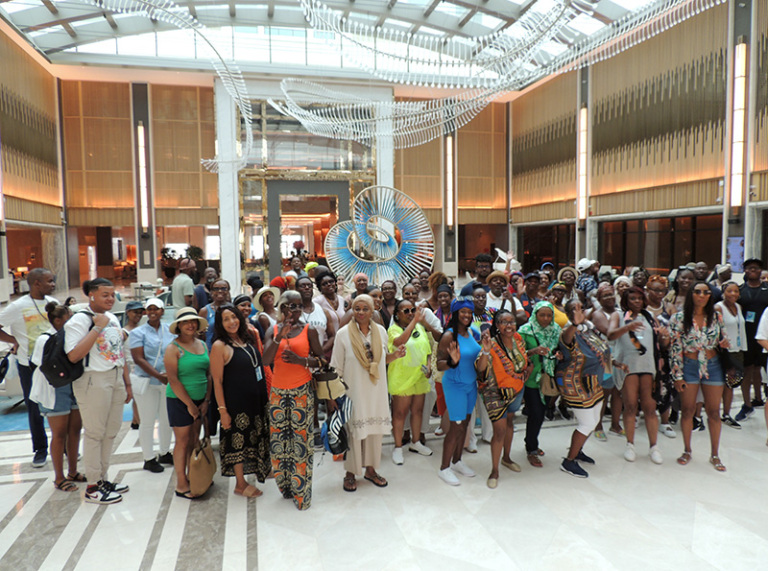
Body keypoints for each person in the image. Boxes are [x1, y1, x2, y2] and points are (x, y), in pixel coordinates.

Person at [65, 278, 131, 504]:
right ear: (91, 295)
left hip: (115, 376)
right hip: (93, 379)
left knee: (111, 431)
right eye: (105, 295)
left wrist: (126, 383)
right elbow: (74, 355)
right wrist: (97, 328)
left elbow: (118, 351)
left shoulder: (111, 317)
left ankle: (103, 478)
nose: (111, 299)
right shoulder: (79, 320)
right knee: (95, 432)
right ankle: (93, 485)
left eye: (112, 294)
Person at [331, 295, 405, 492]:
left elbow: (380, 360)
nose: (361, 312)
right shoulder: (343, 334)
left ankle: (371, 470)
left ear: (372, 311)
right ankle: (350, 473)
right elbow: (336, 367)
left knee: (374, 432)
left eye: (365, 309)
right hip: (353, 392)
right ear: (352, 311)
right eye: (357, 308)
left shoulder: (380, 331)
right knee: (354, 433)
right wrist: (334, 397)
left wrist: (395, 356)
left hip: (376, 391)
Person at [262, 291, 326, 510]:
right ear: (282, 308)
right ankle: (286, 487)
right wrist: (279, 337)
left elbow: (322, 360)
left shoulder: (309, 330)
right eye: (291, 306)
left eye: (299, 306)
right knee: (279, 444)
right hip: (278, 393)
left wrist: (301, 361)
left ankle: (302, 494)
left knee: (301, 443)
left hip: (302, 391)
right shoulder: (273, 330)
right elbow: (266, 360)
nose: (296, 310)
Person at [210, 304, 271, 497]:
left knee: (257, 438)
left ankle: (262, 468)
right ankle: (240, 484)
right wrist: (223, 411)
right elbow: (217, 381)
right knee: (237, 443)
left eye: (234, 317)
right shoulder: (220, 346)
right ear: (220, 324)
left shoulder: (246, 338)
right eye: (226, 319)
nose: (231, 322)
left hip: (255, 402)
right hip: (236, 406)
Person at [0, 267, 58, 468]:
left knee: (59, 406)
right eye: (49, 281)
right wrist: (13, 340)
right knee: (34, 408)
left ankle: (64, 447)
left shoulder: (53, 303)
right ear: (36, 283)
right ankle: (40, 449)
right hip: (29, 365)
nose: (53, 284)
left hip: (54, 363)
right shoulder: (18, 306)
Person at [669, 282, 729, 471]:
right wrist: (677, 375)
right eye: (697, 292)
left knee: (714, 412)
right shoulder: (679, 317)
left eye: (706, 292)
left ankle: (715, 454)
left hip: (713, 365)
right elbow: (675, 348)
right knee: (687, 410)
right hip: (689, 365)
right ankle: (687, 450)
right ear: (691, 294)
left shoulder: (716, 316)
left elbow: (723, 339)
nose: (702, 295)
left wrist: (724, 343)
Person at [607, 286, 668, 464]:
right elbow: (610, 335)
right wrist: (628, 327)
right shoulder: (618, 315)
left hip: (647, 365)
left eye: (639, 298)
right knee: (630, 406)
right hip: (628, 365)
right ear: (625, 301)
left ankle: (654, 447)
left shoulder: (649, 316)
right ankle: (630, 444)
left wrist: (664, 337)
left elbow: (661, 343)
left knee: (650, 407)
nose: (637, 302)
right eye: (632, 299)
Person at [29, 303, 83, 492]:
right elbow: (39, 364)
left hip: (74, 385)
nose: (73, 321)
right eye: (69, 318)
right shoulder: (45, 339)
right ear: (58, 320)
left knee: (75, 429)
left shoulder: (73, 336)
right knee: (59, 433)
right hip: (54, 388)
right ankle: (59, 477)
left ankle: (73, 471)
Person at [557, 299, 610, 478]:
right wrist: (574, 323)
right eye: (573, 309)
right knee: (586, 423)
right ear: (567, 313)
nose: (578, 311)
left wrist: (615, 363)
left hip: (593, 382)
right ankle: (568, 461)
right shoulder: (568, 331)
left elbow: (600, 349)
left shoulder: (588, 329)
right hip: (576, 384)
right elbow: (567, 341)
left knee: (594, 421)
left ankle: (577, 450)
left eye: (580, 307)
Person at [476, 310, 528, 488]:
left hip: (516, 390)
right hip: (495, 393)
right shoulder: (490, 344)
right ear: (497, 325)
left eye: (511, 321)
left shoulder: (519, 340)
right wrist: (485, 351)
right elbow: (480, 368)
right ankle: (494, 470)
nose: (509, 325)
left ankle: (506, 458)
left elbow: (523, 362)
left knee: (510, 423)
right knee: (499, 431)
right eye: (504, 322)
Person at [164, 307, 212, 499]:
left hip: (201, 400)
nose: (190, 325)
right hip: (179, 400)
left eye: (193, 321)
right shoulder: (173, 348)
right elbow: (173, 380)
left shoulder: (203, 345)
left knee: (194, 438)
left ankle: (194, 474)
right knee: (182, 442)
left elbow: (208, 374)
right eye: (185, 322)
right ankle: (181, 482)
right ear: (179, 326)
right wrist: (190, 405)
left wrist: (206, 400)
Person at [436, 297, 481, 486]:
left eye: (469, 312)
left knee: (466, 424)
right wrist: (452, 361)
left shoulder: (471, 332)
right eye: (463, 311)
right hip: (455, 385)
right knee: (456, 426)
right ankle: (444, 468)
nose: (467, 315)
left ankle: (457, 461)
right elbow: (439, 364)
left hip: (471, 385)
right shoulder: (449, 336)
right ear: (455, 313)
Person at [130, 298, 174, 473]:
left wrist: (169, 376)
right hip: (147, 381)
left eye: (156, 309)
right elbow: (138, 358)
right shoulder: (138, 333)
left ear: (162, 311)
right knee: (147, 421)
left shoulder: (169, 330)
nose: (153, 312)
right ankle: (148, 458)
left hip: (167, 382)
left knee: (166, 419)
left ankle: (164, 452)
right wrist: (158, 376)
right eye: (149, 309)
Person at [388, 300, 434, 465]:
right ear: (397, 314)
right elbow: (399, 342)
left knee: (418, 411)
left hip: (419, 376)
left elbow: (428, 351)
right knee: (400, 413)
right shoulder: (393, 329)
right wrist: (414, 321)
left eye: (412, 310)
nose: (410, 313)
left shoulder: (420, 328)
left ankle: (416, 442)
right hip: (401, 378)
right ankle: (398, 447)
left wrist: (429, 367)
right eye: (405, 311)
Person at [518, 301, 561, 467]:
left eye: (549, 315)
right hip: (531, 379)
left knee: (541, 413)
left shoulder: (556, 330)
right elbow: (517, 353)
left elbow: (561, 348)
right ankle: (531, 448)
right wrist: (533, 351)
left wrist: (559, 355)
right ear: (535, 315)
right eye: (542, 315)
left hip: (548, 377)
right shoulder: (525, 331)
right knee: (536, 413)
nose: (546, 318)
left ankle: (532, 441)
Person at [588, 283, 625, 440]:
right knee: (604, 393)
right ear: (599, 299)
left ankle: (615, 424)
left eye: (611, 294)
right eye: (605, 295)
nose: (609, 298)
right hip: (607, 357)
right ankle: (598, 425)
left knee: (618, 391)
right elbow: (609, 332)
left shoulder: (620, 312)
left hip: (621, 354)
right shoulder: (598, 314)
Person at [735, 258, 768, 422]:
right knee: (747, 369)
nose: (752, 270)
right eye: (749, 268)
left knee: (761, 369)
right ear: (745, 271)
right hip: (746, 336)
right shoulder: (740, 291)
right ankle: (747, 404)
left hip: (765, 337)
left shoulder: (767, 289)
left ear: (761, 271)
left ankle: (760, 398)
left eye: (755, 268)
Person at [645, 275, 677, 438]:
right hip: (645, 351)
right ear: (648, 289)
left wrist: (666, 338)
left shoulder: (669, 307)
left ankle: (664, 422)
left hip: (664, 353)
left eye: (662, 291)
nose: (658, 294)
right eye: (655, 290)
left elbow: (676, 328)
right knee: (645, 385)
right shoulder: (642, 306)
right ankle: (642, 415)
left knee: (665, 386)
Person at [715, 282, 746, 429]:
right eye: (729, 291)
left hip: (737, 349)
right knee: (719, 383)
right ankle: (713, 413)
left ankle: (726, 414)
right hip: (723, 351)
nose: (733, 294)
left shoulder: (738, 307)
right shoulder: (718, 308)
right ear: (723, 292)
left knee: (731, 383)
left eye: (736, 291)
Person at [123, 301, 144, 430]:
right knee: (137, 397)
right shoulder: (124, 332)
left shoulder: (142, 329)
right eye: (135, 312)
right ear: (128, 313)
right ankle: (138, 422)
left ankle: (136, 421)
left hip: (141, 367)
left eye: (140, 312)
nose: (138, 315)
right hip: (131, 369)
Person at [199, 279, 231, 348]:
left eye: (223, 288)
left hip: (230, 349)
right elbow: (198, 335)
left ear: (228, 291)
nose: (220, 291)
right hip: (211, 349)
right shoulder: (205, 311)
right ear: (211, 292)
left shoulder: (233, 309)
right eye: (216, 289)